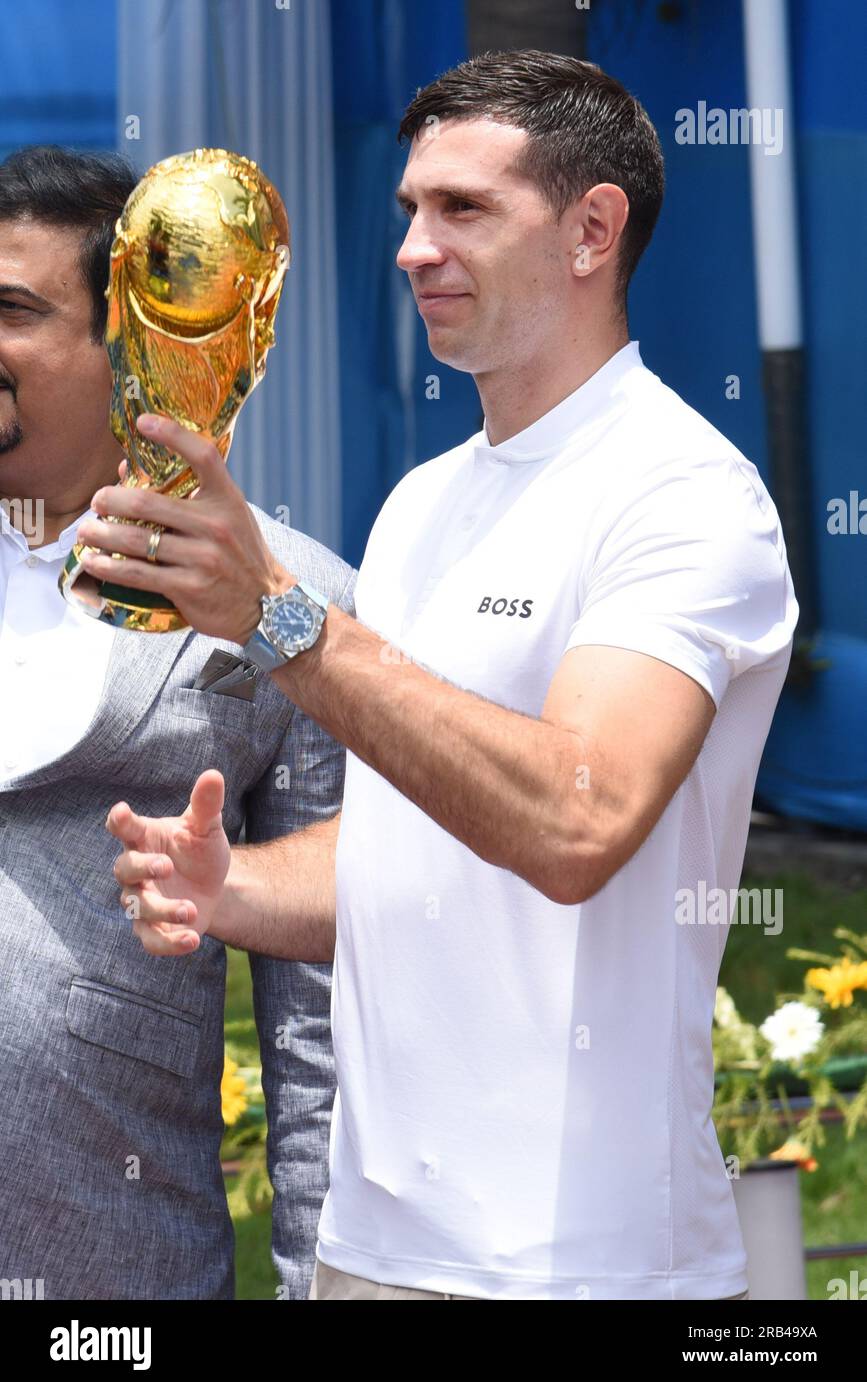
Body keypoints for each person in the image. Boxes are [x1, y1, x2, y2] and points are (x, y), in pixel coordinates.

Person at [94, 52, 798, 1300]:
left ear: (593, 229)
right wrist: (233, 884)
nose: (414, 248)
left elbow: (577, 817)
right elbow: (414, 846)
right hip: (367, 1256)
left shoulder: (690, 494)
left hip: (587, 1270)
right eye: (410, 209)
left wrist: (281, 617)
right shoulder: (425, 502)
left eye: (463, 209)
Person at [0, 145, 354, 1300]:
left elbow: (318, 1033)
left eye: (11, 312)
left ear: (127, 343)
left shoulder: (291, 602)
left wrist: (316, 1284)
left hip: (116, 1275)